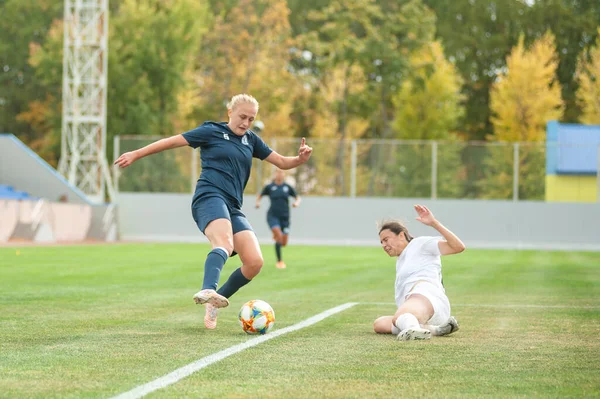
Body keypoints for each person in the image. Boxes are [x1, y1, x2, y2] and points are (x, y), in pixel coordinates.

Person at [114, 94, 313, 330]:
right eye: (242, 117)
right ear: (230, 111)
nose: (246, 123)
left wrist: (299, 160)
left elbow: (281, 161)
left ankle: (214, 302)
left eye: (251, 119)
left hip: (233, 206)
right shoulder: (211, 131)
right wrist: (136, 153)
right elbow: (172, 141)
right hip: (209, 197)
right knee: (224, 243)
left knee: (254, 262)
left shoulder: (251, 140)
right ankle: (208, 288)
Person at [373, 204, 465, 341]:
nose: (384, 245)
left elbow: (458, 247)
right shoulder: (401, 260)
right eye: (381, 242)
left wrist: (434, 223)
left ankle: (412, 329)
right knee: (379, 324)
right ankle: (435, 329)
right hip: (421, 312)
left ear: (401, 235)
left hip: (428, 298)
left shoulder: (420, 244)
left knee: (400, 316)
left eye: (386, 240)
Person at [255, 168, 300, 269]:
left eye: (281, 172)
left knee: (283, 242)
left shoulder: (287, 187)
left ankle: (276, 234)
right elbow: (260, 195)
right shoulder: (270, 187)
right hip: (272, 215)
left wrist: (296, 203)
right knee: (279, 236)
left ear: (283, 174)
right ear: (275, 174)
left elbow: (297, 197)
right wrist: (258, 203)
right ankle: (279, 262)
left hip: (285, 217)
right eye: (277, 172)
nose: (279, 174)